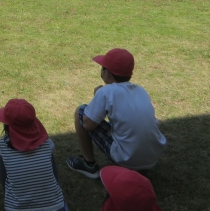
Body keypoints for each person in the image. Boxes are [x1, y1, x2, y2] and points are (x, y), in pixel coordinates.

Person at [67, 48, 167, 178]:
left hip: (128, 159)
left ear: (106, 73)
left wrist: (97, 96)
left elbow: (88, 124)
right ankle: (141, 167)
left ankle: (89, 165)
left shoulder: (105, 92)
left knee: (81, 111)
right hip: (152, 158)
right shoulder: (141, 90)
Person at [0, 99, 67, 211]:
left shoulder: (3, 146)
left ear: (8, 129)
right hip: (54, 207)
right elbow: (54, 174)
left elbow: (3, 177)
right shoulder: (47, 143)